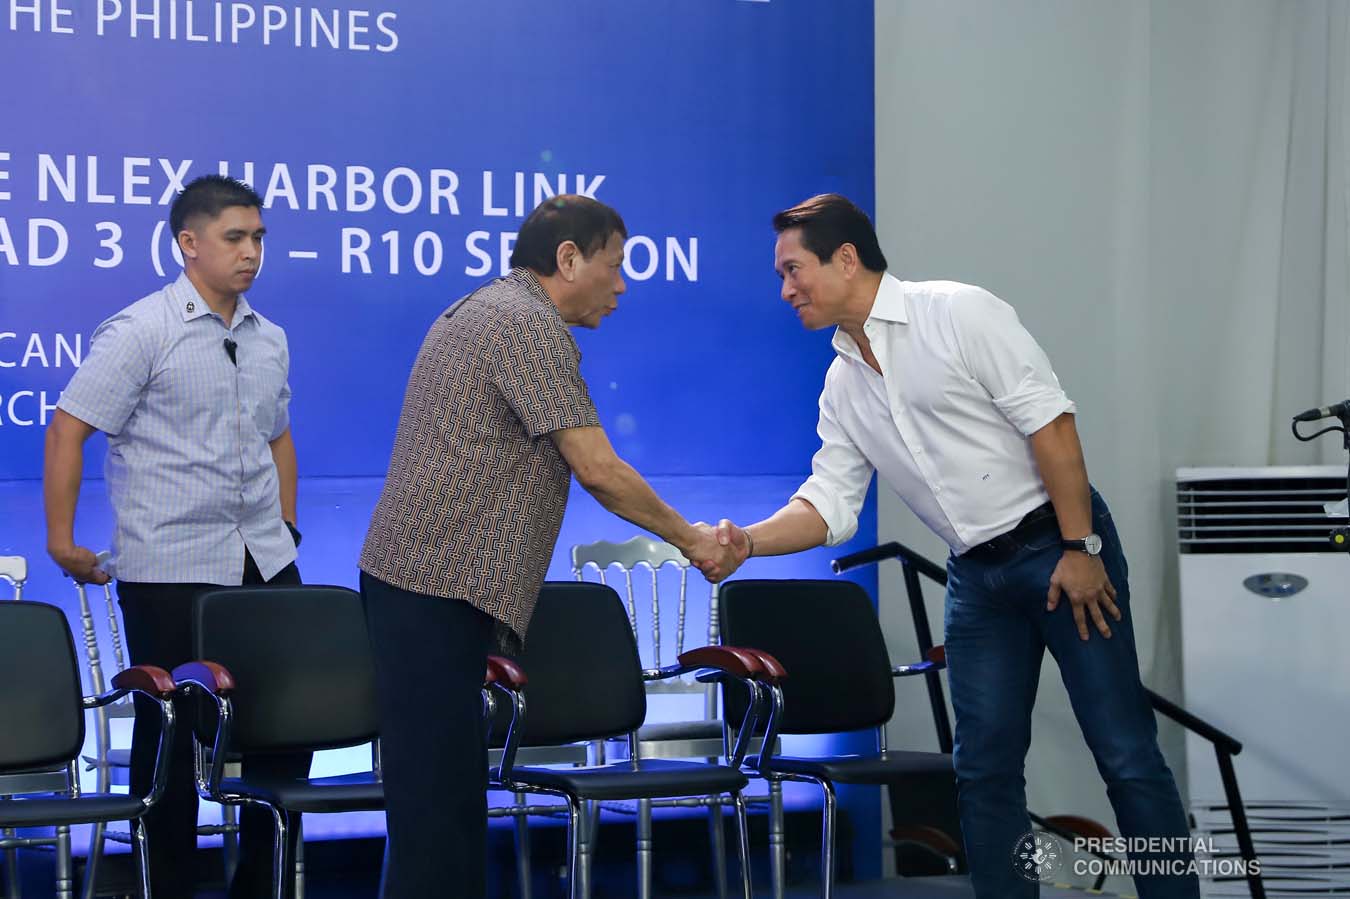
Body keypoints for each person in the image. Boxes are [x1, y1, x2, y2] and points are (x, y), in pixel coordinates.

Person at [708, 194, 1198, 898]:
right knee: (984, 767)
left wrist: (1082, 543)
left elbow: (1051, 426)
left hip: (1060, 548)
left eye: (793, 269)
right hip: (977, 579)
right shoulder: (843, 382)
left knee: (1124, 751)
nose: (784, 289)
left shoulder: (959, 312)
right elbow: (829, 504)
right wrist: (747, 542)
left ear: (846, 259)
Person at [358, 194, 736, 898]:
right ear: (567, 259)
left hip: (427, 586)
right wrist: (690, 538)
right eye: (614, 265)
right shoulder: (525, 324)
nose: (621, 285)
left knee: (440, 804)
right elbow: (597, 467)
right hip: (431, 587)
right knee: (438, 809)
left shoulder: (493, 309)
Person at [43, 174, 308, 898]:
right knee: (172, 740)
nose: (251, 252)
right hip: (170, 566)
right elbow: (68, 428)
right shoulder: (141, 330)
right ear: (189, 244)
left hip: (264, 560)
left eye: (258, 237)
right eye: (235, 238)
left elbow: (277, 437)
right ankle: (171, 885)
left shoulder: (269, 338)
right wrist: (63, 541)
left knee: (286, 727)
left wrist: (284, 522)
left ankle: (261, 883)